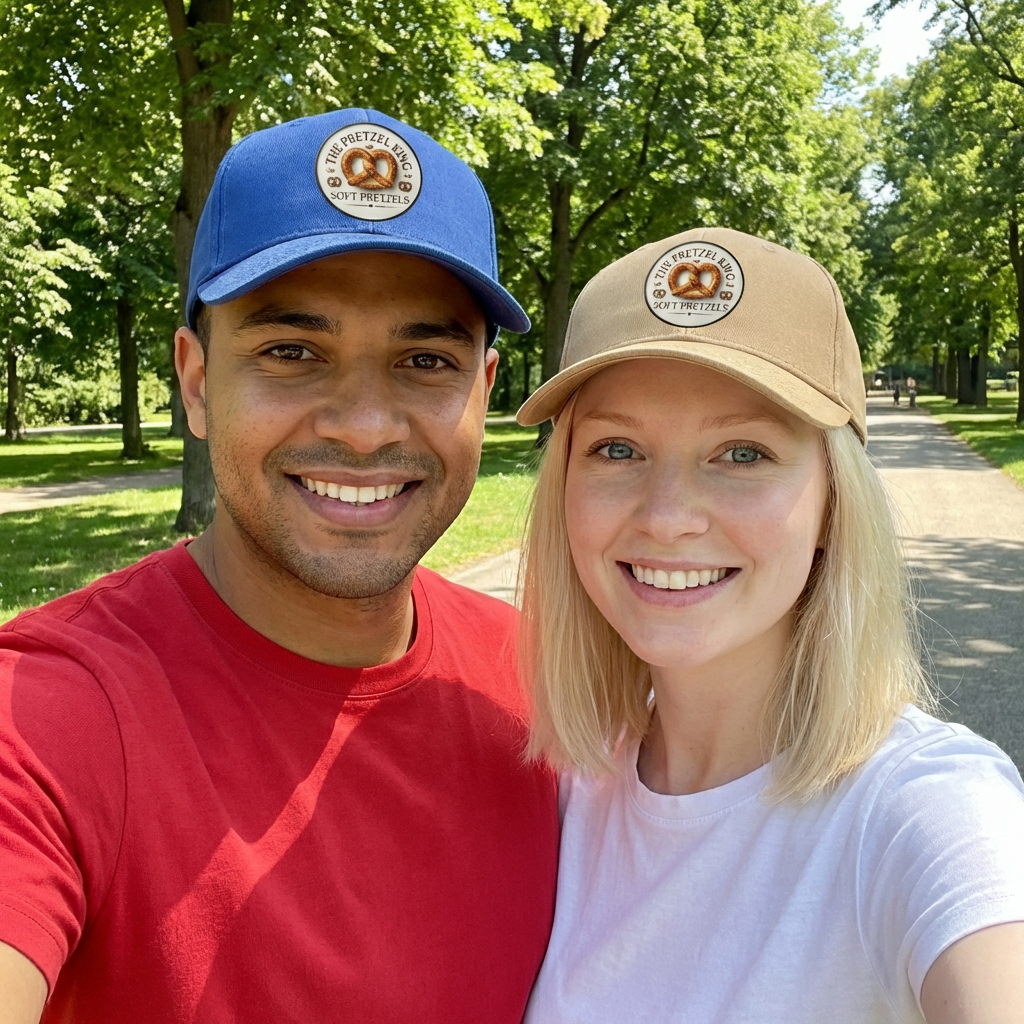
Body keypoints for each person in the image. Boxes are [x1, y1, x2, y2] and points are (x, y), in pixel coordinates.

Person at [0, 110, 559, 1023]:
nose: (366, 424)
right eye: (291, 352)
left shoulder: (544, 689)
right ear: (195, 382)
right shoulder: (48, 715)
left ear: (483, 393)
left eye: (425, 360)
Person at [515, 227, 1024, 1023]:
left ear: (831, 502)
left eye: (742, 453)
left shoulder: (926, 807)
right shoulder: (572, 790)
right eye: (618, 448)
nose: (669, 516)